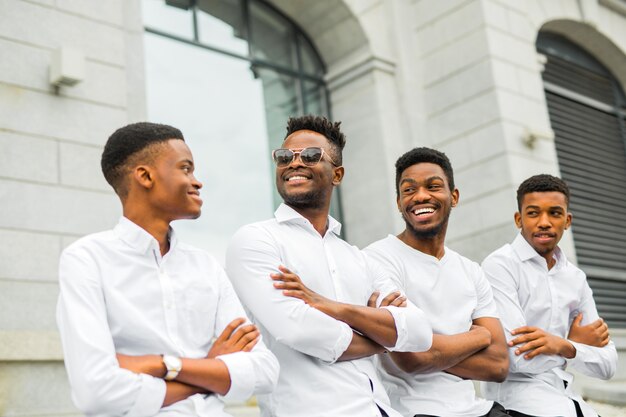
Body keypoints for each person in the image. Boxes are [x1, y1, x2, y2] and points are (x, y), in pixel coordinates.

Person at [56, 122, 278, 416]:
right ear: (145, 176)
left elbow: (264, 371)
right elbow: (96, 393)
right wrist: (209, 369)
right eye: (186, 169)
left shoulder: (206, 265)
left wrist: (163, 364)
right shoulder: (86, 260)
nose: (197, 182)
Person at [225, 115, 433, 417]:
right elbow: (298, 330)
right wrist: (383, 338)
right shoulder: (256, 240)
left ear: (337, 174)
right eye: (284, 157)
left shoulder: (358, 258)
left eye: (310, 155)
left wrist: (331, 307)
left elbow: (420, 331)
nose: (294, 163)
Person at [365, 147, 510, 417]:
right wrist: (478, 336)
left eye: (433, 186)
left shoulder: (470, 270)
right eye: (409, 190)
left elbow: (499, 365)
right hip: (411, 411)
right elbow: (412, 358)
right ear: (399, 202)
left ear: (453, 196)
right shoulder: (378, 259)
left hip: (478, 410)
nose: (421, 196)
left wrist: (430, 350)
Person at [481, 174, 617, 417]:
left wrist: (564, 345)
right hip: (520, 405)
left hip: (571, 401)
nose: (544, 222)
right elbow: (516, 359)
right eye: (533, 213)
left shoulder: (575, 278)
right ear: (518, 219)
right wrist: (574, 347)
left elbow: (608, 365)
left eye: (554, 213)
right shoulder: (500, 266)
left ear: (567, 220)